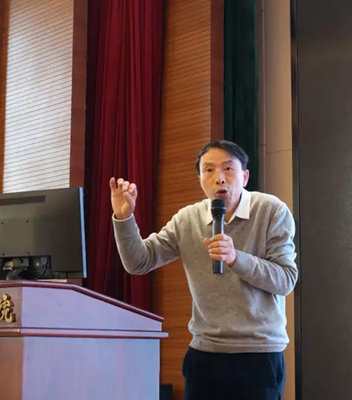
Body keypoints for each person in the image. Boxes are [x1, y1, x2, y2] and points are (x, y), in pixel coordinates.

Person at [109, 140, 297, 400]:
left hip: (258, 353)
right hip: (204, 354)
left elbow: (286, 279)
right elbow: (139, 262)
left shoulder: (271, 211)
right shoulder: (187, 219)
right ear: (200, 180)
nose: (219, 178)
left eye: (228, 169)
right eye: (209, 170)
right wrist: (124, 218)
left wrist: (237, 258)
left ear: (244, 176)